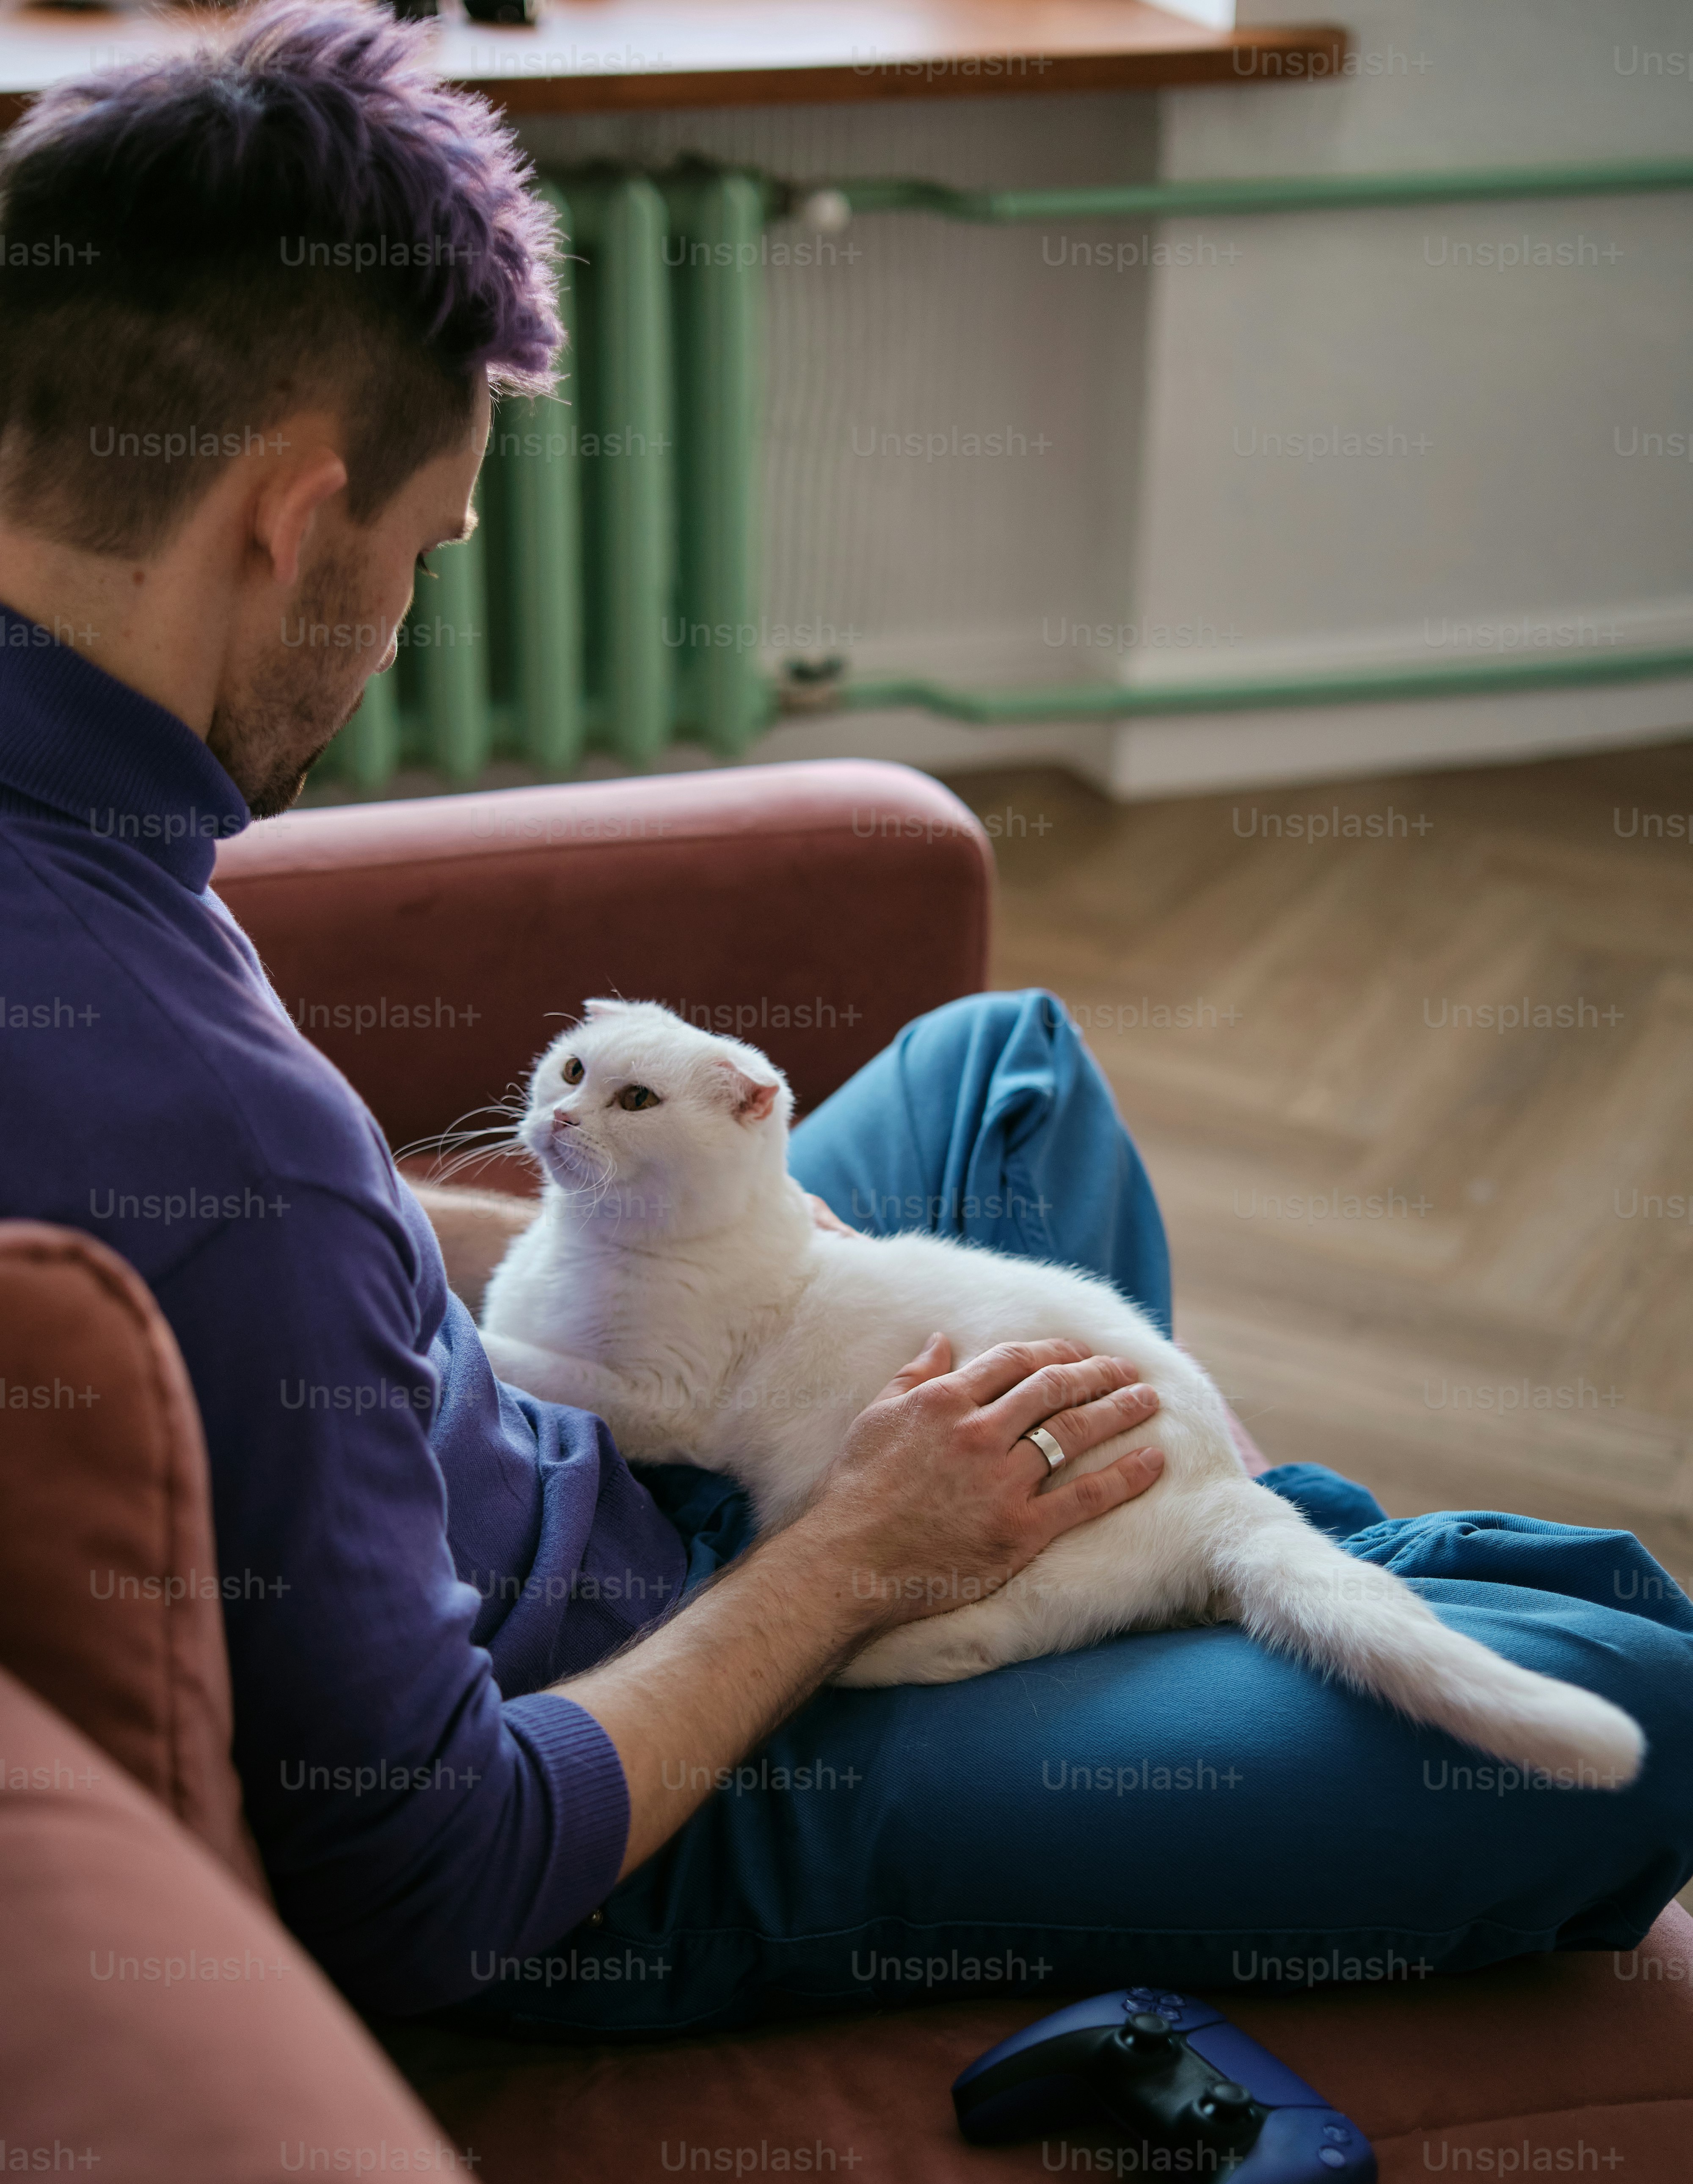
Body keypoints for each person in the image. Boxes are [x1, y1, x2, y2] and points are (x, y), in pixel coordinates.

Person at [0, 2, 1687, 2042]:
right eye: (424, 552)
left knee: (1007, 1074)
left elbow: (284, 1262)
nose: (397, 623)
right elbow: (426, 1882)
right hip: (641, 1771)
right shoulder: (185, 1097)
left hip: (597, 1442)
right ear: (288, 513)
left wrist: (605, 1243)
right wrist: (866, 1557)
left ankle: (1177, 1545)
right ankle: (1213, 1555)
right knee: (1628, 1681)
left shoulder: (103, 844)